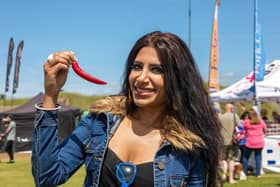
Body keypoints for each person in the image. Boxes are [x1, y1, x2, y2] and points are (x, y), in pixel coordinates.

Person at [31, 31, 223, 187]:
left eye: (157, 69)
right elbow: (47, 178)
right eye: (137, 67)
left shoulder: (188, 147)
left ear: (178, 79)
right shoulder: (99, 122)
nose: (141, 77)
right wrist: (51, 95)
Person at [219, 103, 240, 184]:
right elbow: (239, 125)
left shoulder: (221, 117)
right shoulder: (235, 116)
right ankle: (231, 179)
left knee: (223, 159)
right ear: (232, 109)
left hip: (222, 141)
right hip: (232, 141)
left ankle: (224, 175)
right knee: (232, 160)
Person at [242, 108, 266, 178]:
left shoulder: (246, 122)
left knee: (245, 157)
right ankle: (258, 174)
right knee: (258, 158)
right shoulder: (261, 121)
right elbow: (265, 129)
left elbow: (243, 130)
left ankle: (244, 172)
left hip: (250, 142)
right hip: (259, 142)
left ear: (248, 116)